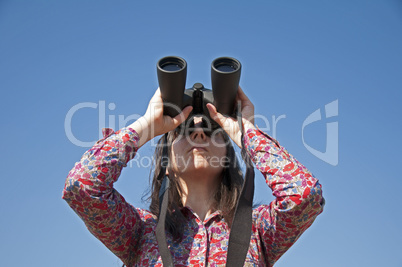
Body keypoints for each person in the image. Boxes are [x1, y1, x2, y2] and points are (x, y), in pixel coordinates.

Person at [62, 87, 324, 266]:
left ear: (228, 157)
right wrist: (147, 126)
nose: (199, 134)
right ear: (165, 164)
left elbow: (303, 196)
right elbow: (82, 187)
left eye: (212, 129)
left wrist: (246, 132)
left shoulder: (258, 230)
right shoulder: (140, 231)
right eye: (184, 130)